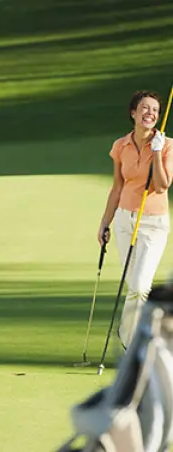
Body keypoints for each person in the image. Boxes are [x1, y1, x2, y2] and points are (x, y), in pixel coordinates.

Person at [97, 90, 173, 349]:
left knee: (140, 287)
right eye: (145, 108)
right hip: (124, 221)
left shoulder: (167, 145)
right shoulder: (121, 146)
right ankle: (130, 337)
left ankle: (131, 344)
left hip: (154, 224)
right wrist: (105, 222)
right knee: (132, 286)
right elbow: (117, 187)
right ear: (133, 113)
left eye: (155, 110)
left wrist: (156, 152)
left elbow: (162, 186)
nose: (150, 113)